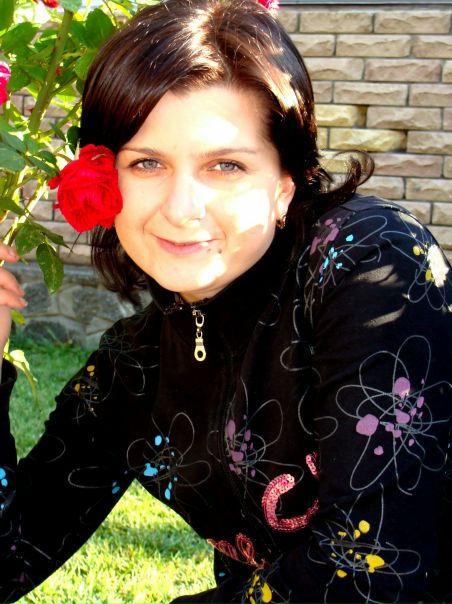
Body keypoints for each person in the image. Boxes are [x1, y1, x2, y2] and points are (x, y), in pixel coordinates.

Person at [0, 0, 451, 601]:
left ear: (285, 183)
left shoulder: (368, 262)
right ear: (106, 178)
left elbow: (374, 573)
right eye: (147, 162)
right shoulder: (133, 370)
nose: (182, 208)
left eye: (226, 165)